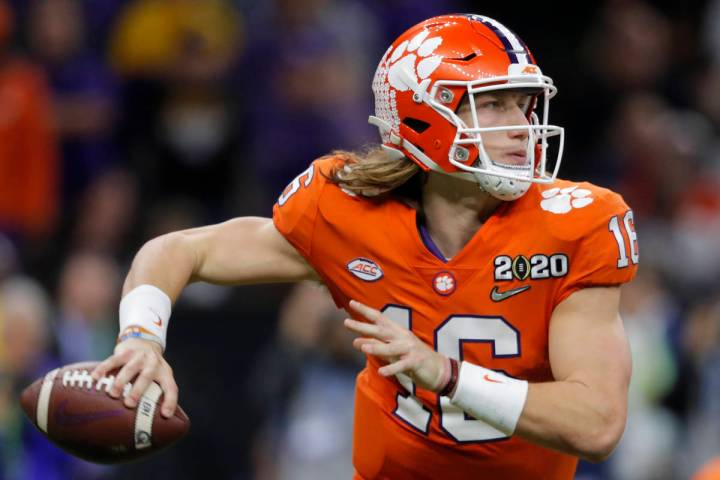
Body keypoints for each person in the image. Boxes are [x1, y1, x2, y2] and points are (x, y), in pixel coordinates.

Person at [92, 14, 639, 479]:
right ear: (424, 116)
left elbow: (597, 423)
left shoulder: (575, 224)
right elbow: (180, 250)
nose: (522, 127)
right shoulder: (348, 213)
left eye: (524, 105)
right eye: (493, 105)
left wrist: (446, 375)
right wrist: (141, 339)